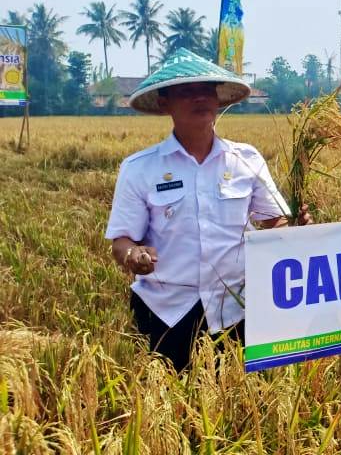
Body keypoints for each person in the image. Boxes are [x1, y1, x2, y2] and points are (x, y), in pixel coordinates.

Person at [105, 48, 308, 371]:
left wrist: (295, 226)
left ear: (218, 99)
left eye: (205, 90)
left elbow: (275, 223)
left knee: (239, 404)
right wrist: (134, 255)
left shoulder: (246, 159)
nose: (199, 98)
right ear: (164, 103)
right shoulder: (140, 169)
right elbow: (121, 241)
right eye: (186, 91)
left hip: (236, 308)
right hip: (168, 310)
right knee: (174, 404)